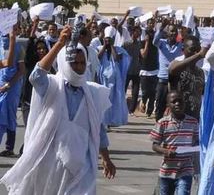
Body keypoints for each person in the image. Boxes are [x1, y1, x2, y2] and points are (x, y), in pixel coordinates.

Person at [1, 25, 117, 193]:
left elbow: (98, 127)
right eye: (74, 63)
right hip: (51, 163)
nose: (78, 67)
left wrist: (106, 158)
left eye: (82, 63)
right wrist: (59, 44)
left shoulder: (93, 92)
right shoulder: (52, 86)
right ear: (64, 63)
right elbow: (36, 76)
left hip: (82, 165)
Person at [151, 89, 200, 195]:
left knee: (183, 192)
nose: (177, 104)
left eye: (180, 101)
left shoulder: (193, 122)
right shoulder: (163, 123)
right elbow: (155, 145)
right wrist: (166, 151)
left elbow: (197, 141)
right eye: (174, 102)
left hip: (186, 169)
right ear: (168, 104)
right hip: (167, 170)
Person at [97, 25, 131, 126]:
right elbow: (98, 57)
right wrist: (104, 45)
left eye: (110, 39)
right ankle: (103, 120)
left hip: (114, 79)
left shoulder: (118, 50)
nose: (108, 41)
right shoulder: (99, 48)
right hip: (103, 78)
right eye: (106, 39)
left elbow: (116, 58)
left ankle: (112, 119)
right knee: (103, 99)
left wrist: (111, 46)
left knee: (113, 99)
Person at [168, 35, 207, 120]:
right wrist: (199, 55)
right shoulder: (177, 65)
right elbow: (172, 70)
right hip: (177, 119)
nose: (195, 53)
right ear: (183, 50)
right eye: (192, 50)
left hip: (194, 120)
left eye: (198, 50)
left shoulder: (200, 72)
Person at [0, 25, 24, 157]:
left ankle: (9, 147)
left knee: (10, 116)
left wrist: (9, 84)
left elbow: (21, 70)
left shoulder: (19, 48)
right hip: (0, 86)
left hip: (12, 87)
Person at [154, 18, 184, 121]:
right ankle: (158, 123)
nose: (173, 33)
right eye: (171, 31)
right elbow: (154, 41)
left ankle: (172, 125)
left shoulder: (180, 45)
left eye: (175, 31)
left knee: (175, 104)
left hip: (175, 80)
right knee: (160, 104)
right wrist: (161, 27)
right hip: (162, 79)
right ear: (167, 32)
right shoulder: (161, 43)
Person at [140, 19, 161, 118]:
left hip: (155, 69)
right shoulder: (142, 41)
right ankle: (143, 101)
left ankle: (149, 111)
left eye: (153, 23)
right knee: (145, 92)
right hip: (145, 69)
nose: (151, 24)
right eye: (150, 23)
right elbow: (143, 55)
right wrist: (147, 42)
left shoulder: (157, 40)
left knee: (153, 92)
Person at [122, 25, 143, 115]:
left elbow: (141, 56)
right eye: (136, 31)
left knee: (135, 91)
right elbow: (121, 53)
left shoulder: (140, 44)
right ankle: (122, 107)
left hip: (136, 69)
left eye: (139, 32)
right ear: (132, 32)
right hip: (127, 69)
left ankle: (131, 110)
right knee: (123, 89)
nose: (138, 34)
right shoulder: (126, 43)